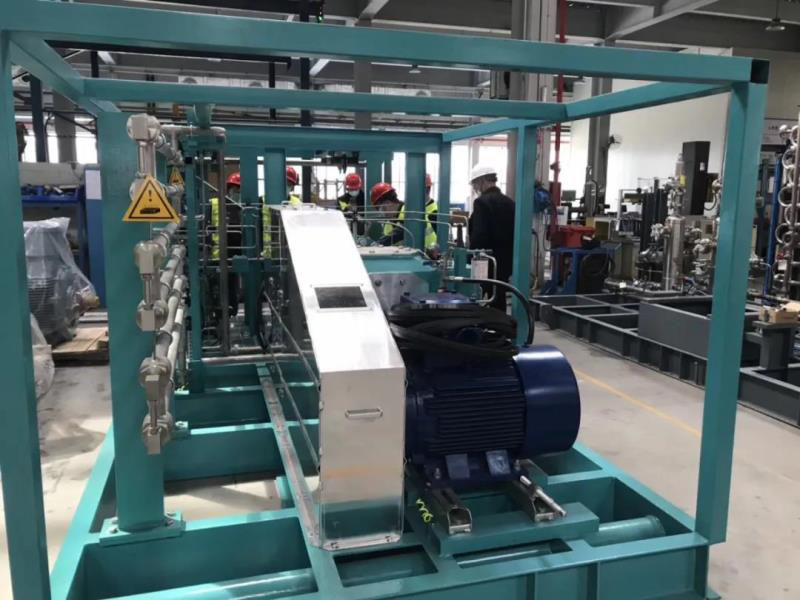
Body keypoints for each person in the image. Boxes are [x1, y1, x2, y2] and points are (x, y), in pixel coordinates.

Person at [467, 164, 515, 312]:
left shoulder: (481, 202)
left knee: (479, 296)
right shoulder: (510, 202)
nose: (475, 188)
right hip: (506, 261)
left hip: (486, 261)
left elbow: (479, 235)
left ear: (482, 181)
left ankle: (483, 323)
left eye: (475, 184)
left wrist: (470, 257)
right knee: (498, 296)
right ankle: (500, 323)